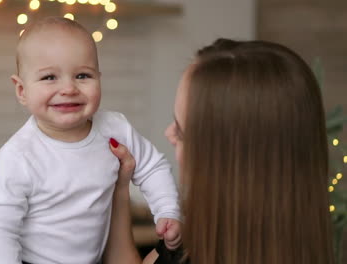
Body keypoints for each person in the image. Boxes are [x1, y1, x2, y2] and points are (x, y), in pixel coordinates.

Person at [104, 38, 334, 264]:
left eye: (181, 132)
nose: (169, 134)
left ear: (225, 162)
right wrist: (120, 189)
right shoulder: (186, 244)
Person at [0, 17, 182, 264]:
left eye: (83, 75)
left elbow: (153, 167)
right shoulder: (19, 155)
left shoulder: (114, 128)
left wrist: (168, 211)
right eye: (49, 77)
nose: (69, 88)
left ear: (99, 78)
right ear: (22, 90)